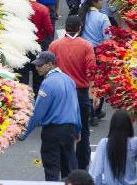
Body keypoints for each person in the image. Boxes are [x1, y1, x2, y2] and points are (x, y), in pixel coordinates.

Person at [19, 51, 81, 182]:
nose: (37, 68)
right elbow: (76, 108)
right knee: (70, 169)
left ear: (50, 64)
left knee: (52, 170)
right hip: (69, 130)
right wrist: (78, 129)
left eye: (40, 65)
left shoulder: (47, 83)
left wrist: (24, 133)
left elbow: (37, 114)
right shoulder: (69, 80)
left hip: (52, 132)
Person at [50, 14, 97, 171]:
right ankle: (82, 168)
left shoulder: (54, 45)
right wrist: (94, 92)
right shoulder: (86, 45)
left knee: (63, 131)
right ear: (80, 27)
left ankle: (65, 169)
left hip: (61, 95)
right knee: (83, 131)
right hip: (81, 93)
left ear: (66, 27)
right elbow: (91, 70)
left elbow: (49, 70)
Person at [88, 110, 137, 185]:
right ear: (129, 125)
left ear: (112, 125)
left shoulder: (104, 143)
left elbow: (97, 171)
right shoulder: (135, 141)